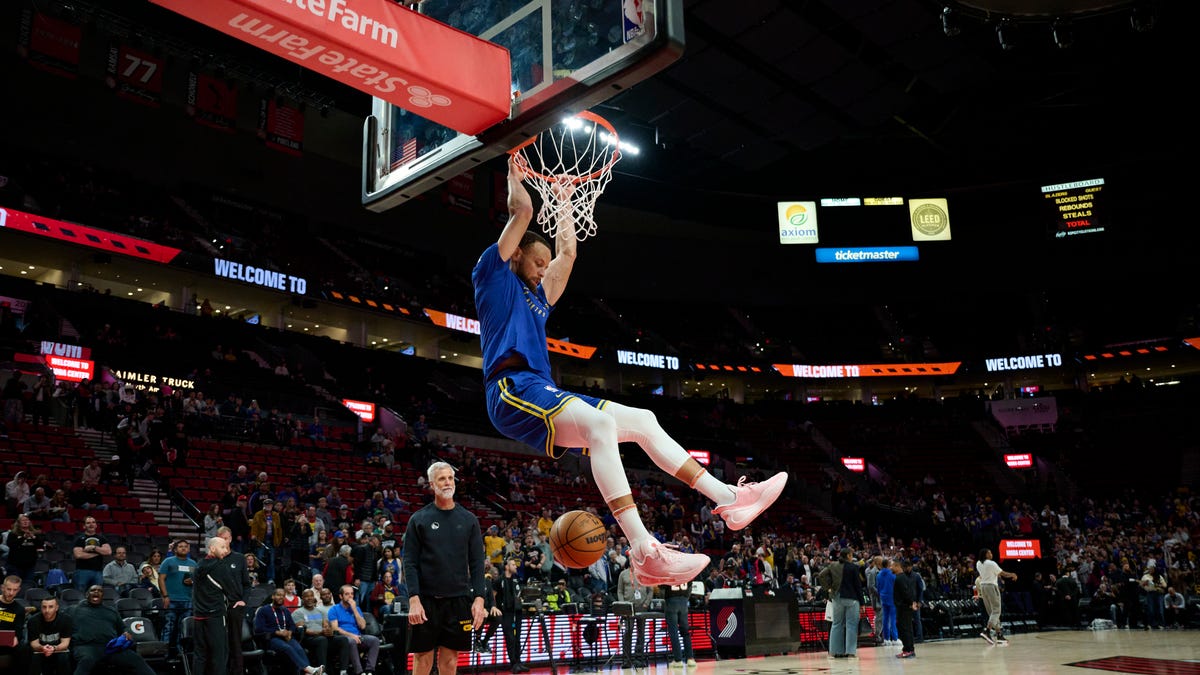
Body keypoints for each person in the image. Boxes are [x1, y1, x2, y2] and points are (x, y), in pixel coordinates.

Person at [470, 157, 787, 587]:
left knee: (644, 421)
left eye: (546, 266)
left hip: (540, 388)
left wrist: (564, 202)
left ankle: (729, 499)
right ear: (517, 254)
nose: (545, 269)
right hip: (509, 389)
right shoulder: (492, 275)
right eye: (537, 261)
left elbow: (568, 253)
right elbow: (522, 212)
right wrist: (514, 176)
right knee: (601, 423)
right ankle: (644, 551)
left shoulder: (538, 299)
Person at [402, 461, 487, 675]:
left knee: (450, 661)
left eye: (450, 478)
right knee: (422, 660)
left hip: (458, 600)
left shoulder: (468, 520)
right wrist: (414, 599)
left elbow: (477, 563)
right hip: (427, 601)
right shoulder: (418, 519)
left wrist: (479, 598)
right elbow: (409, 562)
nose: (448, 482)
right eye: (442, 478)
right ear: (432, 484)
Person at [69, 585, 157, 675]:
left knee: (136, 659)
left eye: (100, 591)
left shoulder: (111, 611)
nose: (96, 592)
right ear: (87, 594)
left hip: (110, 647)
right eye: (93, 590)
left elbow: (122, 627)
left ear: (103, 596)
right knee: (86, 660)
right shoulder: (74, 609)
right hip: (86, 647)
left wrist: (126, 632)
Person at [190, 536, 244, 675]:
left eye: (226, 547)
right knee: (219, 655)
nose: (226, 551)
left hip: (198, 616)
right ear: (212, 548)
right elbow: (234, 592)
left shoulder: (198, 565)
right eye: (222, 547)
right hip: (215, 616)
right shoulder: (220, 566)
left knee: (200, 655)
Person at [254, 587, 326, 675]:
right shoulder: (263, 610)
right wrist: (276, 632)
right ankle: (309, 670)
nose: (281, 597)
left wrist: (290, 632)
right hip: (271, 638)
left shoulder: (285, 610)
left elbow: (292, 625)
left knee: (299, 649)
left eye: (283, 596)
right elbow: (259, 628)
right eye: (278, 595)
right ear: (273, 597)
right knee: (287, 648)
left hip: (286, 637)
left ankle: (308, 672)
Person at [474, 557, 526, 673]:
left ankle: (519, 662)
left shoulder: (516, 580)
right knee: (510, 638)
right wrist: (494, 608)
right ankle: (513, 663)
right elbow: (492, 596)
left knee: (517, 639)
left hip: (516, 612)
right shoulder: (499, 581)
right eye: (513, 565)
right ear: (507, 567)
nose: (515, 566)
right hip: (505, 612)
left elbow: (518, 595)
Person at [816, 547, 863, 659]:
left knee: (837, 624)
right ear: (847, 556)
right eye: (851, 555)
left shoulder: (833, 565)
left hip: (837, 597)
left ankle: (834, 652)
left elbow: (821, 575)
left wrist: (828, 589)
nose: (852, 557)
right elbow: (858, 586)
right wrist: (862, 602)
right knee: (851, 625)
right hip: (852, 599)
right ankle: (850, 652)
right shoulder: (854, 567)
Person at [293, 588, 350, 675]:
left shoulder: (320, 611)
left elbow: (326, 625)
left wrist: (329, 631)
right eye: (306, 596)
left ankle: (343, 671)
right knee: (321, 640)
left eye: (311, 596)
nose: (309, 598)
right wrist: (320, 632)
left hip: (322, 637)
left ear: (314, 597)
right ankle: (322, 672)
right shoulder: (297, 612)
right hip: (308, 639)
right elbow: (302, 630)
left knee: (343, 639)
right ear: (302, 598)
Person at [328, 584, 380, 675]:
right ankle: (359, 671)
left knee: (374, 640)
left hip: (358, 636)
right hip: (343, 638)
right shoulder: (334, 609)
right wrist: (351, 635)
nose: (350, 596)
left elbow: (363, 626)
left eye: (352, 594)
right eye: (347, 594)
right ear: (341, 596)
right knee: (351, 641)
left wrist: (355, 610)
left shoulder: (356, 608)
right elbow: (335, 628)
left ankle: (369, 670)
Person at [159, 538, 195, 657]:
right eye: (180, 546)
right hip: (172, 600)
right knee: (168, 627)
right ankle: (164, 652)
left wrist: (192, 582)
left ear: (189, 549)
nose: (183, 548)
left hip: (188, 601)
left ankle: (181, 653)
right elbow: (161, 579)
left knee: (184, 629)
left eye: (186, 546)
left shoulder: (193, 564)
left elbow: (198, 581)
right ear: (175, 549)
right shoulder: (168, 561)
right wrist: (165, 596)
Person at [976, 547, 1017, 644]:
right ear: (986, 554)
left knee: (992, 613)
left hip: (983, 587)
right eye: (989, 552)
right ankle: (987, 631)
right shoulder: (991, 563)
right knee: (996, 610)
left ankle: (999, 634)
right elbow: (1002, 574)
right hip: (991, 586)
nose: (991, 554)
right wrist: (1013, 574)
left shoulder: (978, 563)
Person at [616, 562, 654, 668]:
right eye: (632, 561)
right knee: (628, 631)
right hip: (629, 608)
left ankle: (639, 659)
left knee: (641, 633)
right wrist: (623, 604)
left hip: (642, 607)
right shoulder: (623, 574)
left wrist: (647, 602)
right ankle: (627, 660)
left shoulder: (645, 573)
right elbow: (619, 591)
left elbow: (650, 590)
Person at [28, 596, 73, 675]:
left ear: (57, 608)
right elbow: (34, 643)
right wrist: (42, 648)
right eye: (44, 607)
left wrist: (54, 648)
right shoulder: (33, 621)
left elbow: (65, 643)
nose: (47, 610)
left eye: (51, 607)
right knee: (32, 656)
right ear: (41, 608)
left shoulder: (66, 619)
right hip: (40, 651)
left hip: (58, 650)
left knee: (63, 657)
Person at [660, 580, 695, 669]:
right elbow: (690, 587)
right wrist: (685, 598)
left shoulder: (670, 571)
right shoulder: (685, 571)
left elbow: (661, 588)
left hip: (671, 601)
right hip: (683, 601)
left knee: (674, 632)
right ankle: (690, 658)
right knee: (685, 631)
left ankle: (678, 660)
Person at [72, 516, 112, 591]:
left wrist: (94, 548)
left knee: (97, 594)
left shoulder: (101, 538)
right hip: (82, 572)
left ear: (96, 525)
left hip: (98, 572)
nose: (91, 524)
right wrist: (98, 553)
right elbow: (78, 555)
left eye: (93, 522)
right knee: (80, 594)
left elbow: (108, 551)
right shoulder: (79, 539)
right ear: (84, 526)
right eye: (88, 523)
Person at [0, 575, 28, 672]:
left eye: (15, 590)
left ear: (19, 590)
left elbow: (18, 631)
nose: (11, 593)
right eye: (8, 589)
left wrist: (16, 638)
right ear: (2, 588)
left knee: (24, 649)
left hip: (7, 644)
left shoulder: (19, 609)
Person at [893, 559, 918, 659]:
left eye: (892, 566)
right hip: (904, 606)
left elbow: (906, 593)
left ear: (897, 566)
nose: (891, 568)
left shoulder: (900, 578)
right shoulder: (903, 577)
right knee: (906, 628)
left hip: (904, 606)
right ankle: (909, 649)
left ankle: (908, 649)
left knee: (905, 628)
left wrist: (911, 602)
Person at [876, 557, 897, 646]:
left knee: (885, 618)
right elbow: (896, 586)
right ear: (888, 565)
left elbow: (878, 587)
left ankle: (886, 639)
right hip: (892, 597)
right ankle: (895, 638)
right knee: (893, 618)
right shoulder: (892, 575)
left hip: (883, 597)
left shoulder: (879, 575)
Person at [1141, 563, 1167, 629]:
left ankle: (1161, 624)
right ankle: (1152, 624)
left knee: (1160, 610)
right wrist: (1144, 583)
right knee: (1151, 610)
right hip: (1150, 593)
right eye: (1150, 569)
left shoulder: (1159, 576)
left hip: (1159, 593)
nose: (1151, 570)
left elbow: (1165, 585)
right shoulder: (1145, 576)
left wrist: (1158, 585)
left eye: (1152, 569)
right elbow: (1141, 585)